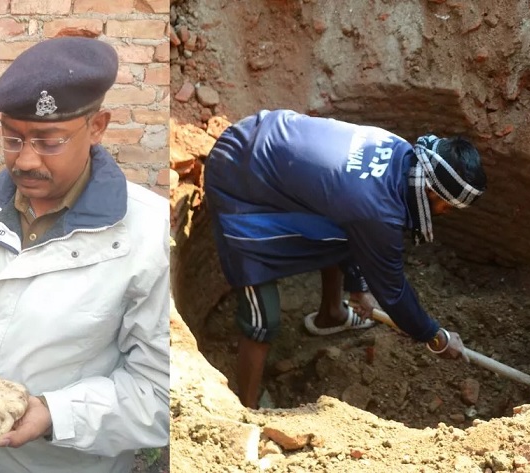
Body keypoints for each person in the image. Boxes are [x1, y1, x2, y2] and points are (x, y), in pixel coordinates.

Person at [0, 37, 170, 472]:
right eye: (12, 138)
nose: (23, 160)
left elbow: (159, 390)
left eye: (47, 141)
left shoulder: (148, 232)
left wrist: (55, 414)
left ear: (97, 127)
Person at [203, 109, 488, 408]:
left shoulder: (399, 151)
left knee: (339, 233)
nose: (445, 213)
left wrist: (357, 284)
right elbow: (392, 291)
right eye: (448, 206)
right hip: (236, 178)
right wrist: (435, 336)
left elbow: (351, 223)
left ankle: (332, 314)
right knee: (263, 317)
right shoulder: (379, 210)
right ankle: (247, 408)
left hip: (262, 141)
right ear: (431, 190)